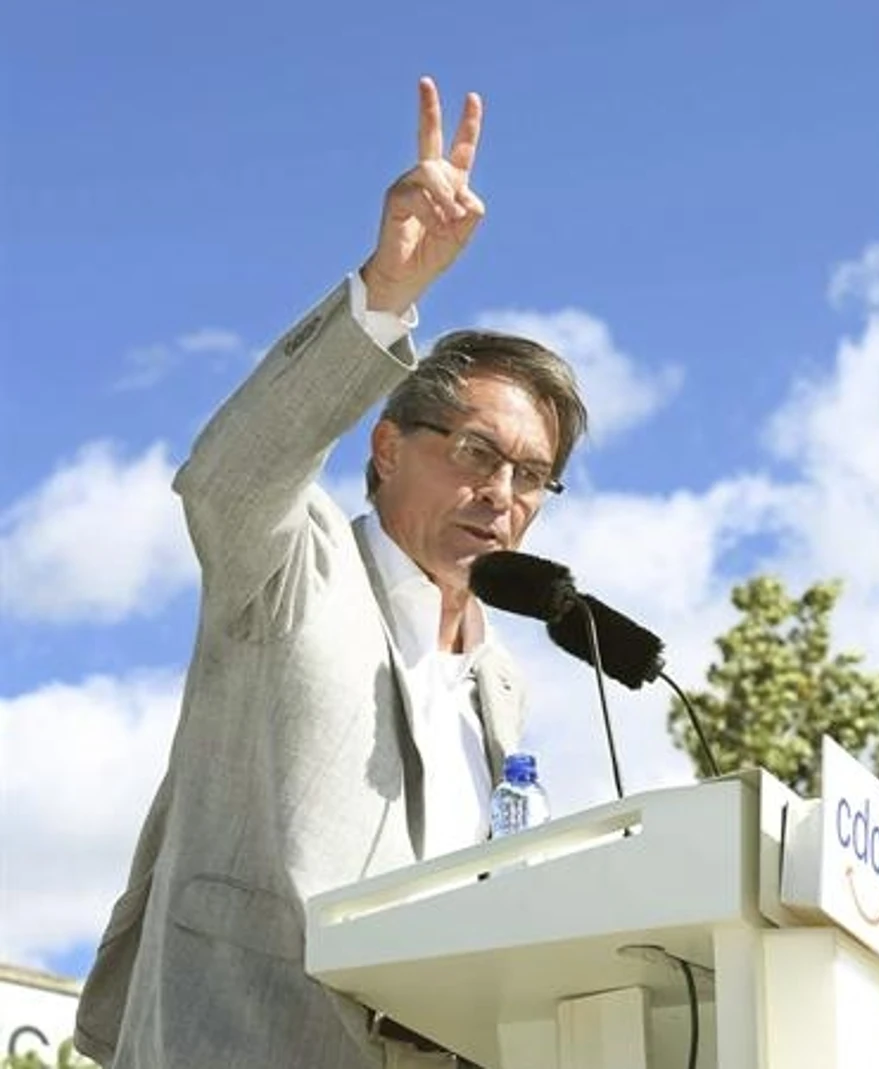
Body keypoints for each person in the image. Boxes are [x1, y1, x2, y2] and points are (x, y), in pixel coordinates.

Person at [73, 77, 587, 1069]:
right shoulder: (296, 565)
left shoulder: (503, 686)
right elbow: (229, 476)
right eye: (477, 452)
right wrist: (389, 292)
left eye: (531, 477)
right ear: (389, 446)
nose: (501, 495)